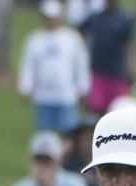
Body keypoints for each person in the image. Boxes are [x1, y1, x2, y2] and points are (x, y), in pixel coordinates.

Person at [18, 0, 92, 133]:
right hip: (43, 95)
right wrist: (26, 87)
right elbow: (28, 65)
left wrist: (83, 87)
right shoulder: (35, 39)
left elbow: (81, 64)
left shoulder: (70, 38)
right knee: (44, 132)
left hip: (66, 94)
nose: (50, 21)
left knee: (69, 133)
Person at [81, 0, 136, 114]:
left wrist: (132, 67)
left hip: (117, 71)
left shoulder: (124, 19)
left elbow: (131, 45)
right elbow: (80, 31)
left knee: (117, 108)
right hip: (97, 69)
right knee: (96, 107)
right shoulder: (95, 18)